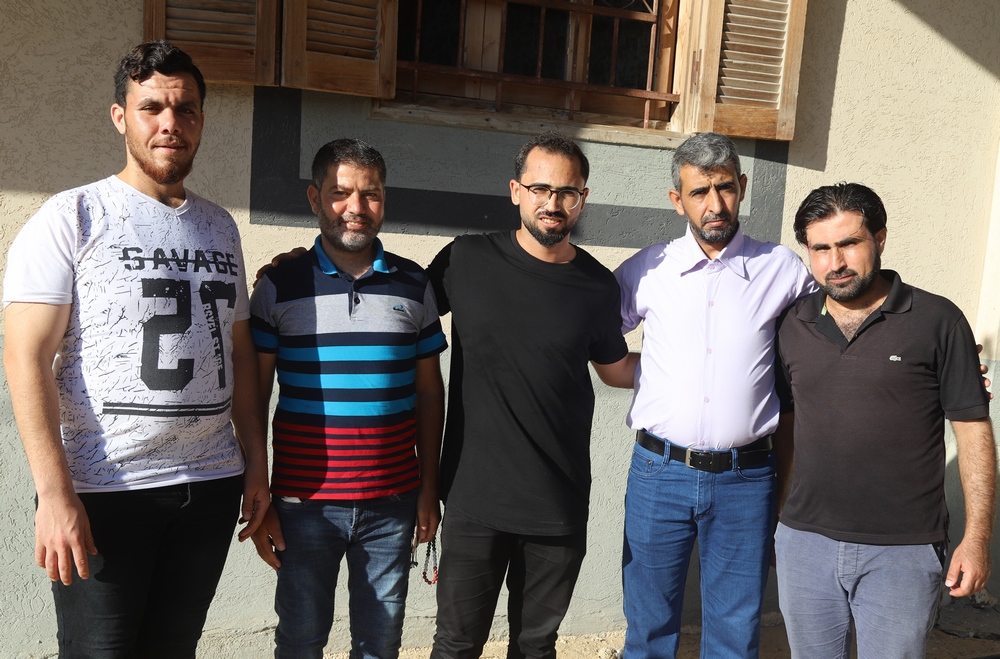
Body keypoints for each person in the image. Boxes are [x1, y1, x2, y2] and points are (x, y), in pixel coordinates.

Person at [2, 41, 269, 657]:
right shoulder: (72, 215)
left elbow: (238, 352)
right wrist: (54, 494)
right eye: (152, 107)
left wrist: (256, 461)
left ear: (201, 120)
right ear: (121, 117)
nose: (170, 123)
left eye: (185, 109)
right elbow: (24, 357)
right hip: (106, 489)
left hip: (210, 484)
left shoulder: (221, 226)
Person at [427, 132, 635, 659]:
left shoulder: (597, 285)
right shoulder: (465, 259)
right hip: (474, 498)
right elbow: (396, 309)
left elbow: (616, 371)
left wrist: (704, 367)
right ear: (516, 191)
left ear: (582, 198)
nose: (553, 203)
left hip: (557, 503)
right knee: (456, 645)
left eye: (567, 192)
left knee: (536, 647)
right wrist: (302, 268)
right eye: (541, 188)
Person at [612, 132, 815, 658]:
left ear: (742, 186)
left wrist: (930, 354)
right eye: (699, 192)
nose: (715, 204)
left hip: (747, 478)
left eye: (724, 187)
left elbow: (833, 333)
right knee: (648, 623)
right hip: (659, 474)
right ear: (677, 199)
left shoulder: (782, 269)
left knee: (735, 627)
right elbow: (590, 332)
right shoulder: (648, 269)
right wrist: (644, 373)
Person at [773, 182, 996, 658]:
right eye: (820, 249)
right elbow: (785, 427)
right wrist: (777, 518)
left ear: (880, 238)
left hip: (903, 550)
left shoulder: (938, 321)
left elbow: (974, 432)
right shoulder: (792, 324)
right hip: (805, 543)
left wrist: (976, 539)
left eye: (849, 243)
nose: (835, 262)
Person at [248, 138, 447, 658]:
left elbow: (430, 392)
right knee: (300, 640)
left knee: (380, 643)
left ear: (384, 200)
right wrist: (258, 489)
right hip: (302, 503)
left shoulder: (414, 284)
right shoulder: (279, 285)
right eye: (340, 193)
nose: (356, 207)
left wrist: (429, 488)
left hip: (393, 502)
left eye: (370, 193)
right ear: (315, 198)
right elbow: (254, 395)